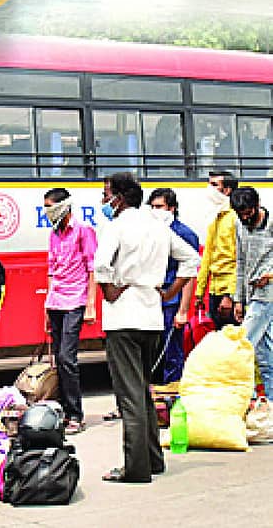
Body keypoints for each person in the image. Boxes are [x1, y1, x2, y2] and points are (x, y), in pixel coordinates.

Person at [93, 172, 199, 484]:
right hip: (152, 317)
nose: (103, 200)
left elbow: (100, 265)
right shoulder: (158, 227)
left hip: (123, 318)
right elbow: (191, 260)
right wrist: (169, 292)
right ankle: (154, 459)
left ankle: (135, 468)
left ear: (119, 198)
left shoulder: (116, 227)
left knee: (130, 397)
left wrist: (109, 292)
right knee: (143, 390)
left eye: (106, 194)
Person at [43, 188, 97, 434]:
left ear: (64, 207)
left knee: (67, 357)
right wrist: (46, 306)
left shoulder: (83, 231)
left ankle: (76, 413)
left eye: (50, 206)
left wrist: (91, 305)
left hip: (76, 299)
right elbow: (51, 271)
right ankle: (62, 411)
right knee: (57, 359)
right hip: (56, 300)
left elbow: (92, 268)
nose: (47, 212)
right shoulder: (54, 234)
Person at [146, 188, 199, 384]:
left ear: (172, 208)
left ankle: (171, 397)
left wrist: (183, 310)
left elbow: (189, 274)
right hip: (151, 300)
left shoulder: (184, 234)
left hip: (172, 301)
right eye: (152, 207)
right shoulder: (150, 232)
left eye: (159, 207)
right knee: (152, 352)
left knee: (172, 353)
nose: (155, 211)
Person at [232, 186, 273, 396]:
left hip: (268, 294)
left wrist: (270, 275)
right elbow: (240, 262)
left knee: (242, 345)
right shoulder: (239, 225)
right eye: (241, 215)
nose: (245, 218)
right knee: (265, 355)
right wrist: (238, 300)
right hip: (251, 294)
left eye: (249, 214)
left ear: (257, 206)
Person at [195, 169, 240, 329]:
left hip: (229, 291)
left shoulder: (235, 218)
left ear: (227, 190)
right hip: (214, 289)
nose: (209, 189)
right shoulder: (215, 216)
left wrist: (230, 295)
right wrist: (199, 292)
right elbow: (207, 256)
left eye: (214, 185)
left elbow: (239, 260)